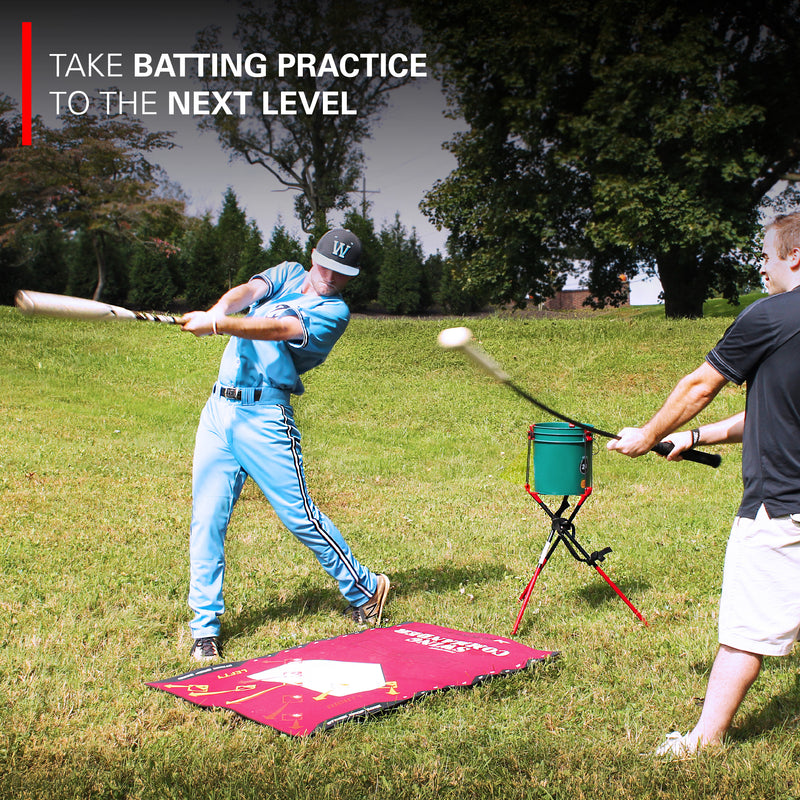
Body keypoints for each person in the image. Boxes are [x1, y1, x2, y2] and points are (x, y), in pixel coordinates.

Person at [607, 211, 800, 756]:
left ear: (794, 257)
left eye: (765, 257)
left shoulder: (772, 317)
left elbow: (700, 384)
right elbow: (775, 412)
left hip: (780, 509)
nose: (761, 269)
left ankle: (702, 740)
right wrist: (693, 438)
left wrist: (647, 434)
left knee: (744, 634)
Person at [179, 228, 390, 661]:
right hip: (219, 410)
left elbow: (278, 327)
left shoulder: (335, 311)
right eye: (326, 264)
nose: (331, 275)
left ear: (352, 277)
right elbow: (248, 291)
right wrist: (218, 309)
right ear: (313, 255)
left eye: (343, 272)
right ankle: (204, 627)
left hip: (265, 416)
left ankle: (367, 588)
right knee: (207, 518)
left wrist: (217, 324)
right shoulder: (289, 273)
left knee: (300, 517)